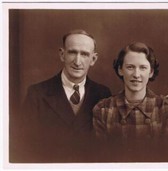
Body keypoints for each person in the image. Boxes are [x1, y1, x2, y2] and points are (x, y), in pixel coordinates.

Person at [17, 29, 111, 162]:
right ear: (62, 54)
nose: (77, 61)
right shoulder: (37, 93)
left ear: (93, 59)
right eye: (72, 52)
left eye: (84, 54)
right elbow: (24, 146)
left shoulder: (103, 94)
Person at [92, 42, 168, 162]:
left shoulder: (165, 107)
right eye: (130, 67)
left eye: (143, 68)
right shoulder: (103, 109)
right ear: (120, 70)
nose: (136, 75)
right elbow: (101, 159)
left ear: (151, 72)